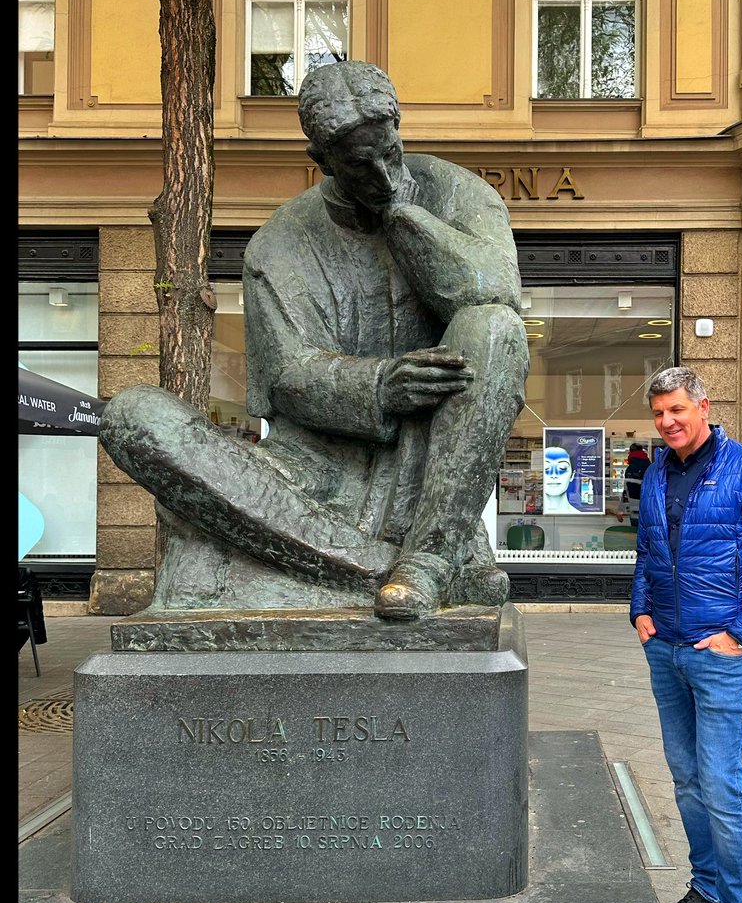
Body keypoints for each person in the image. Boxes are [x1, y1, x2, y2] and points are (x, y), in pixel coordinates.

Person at [99, 60, 530, 620]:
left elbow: (493, 292)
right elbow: (287, 377)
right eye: (358, 164)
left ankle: (427, 561)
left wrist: (403, 216)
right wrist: (379, 387)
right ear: (322, 162)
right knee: (132, 417)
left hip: (422, 475)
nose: (379, 172)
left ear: (399, 130)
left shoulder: (458, 196)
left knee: (494, 327)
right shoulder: (277, 244)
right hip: (305, 477)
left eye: (389, 153)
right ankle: (377, 568)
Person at [630, 366, 742, 903]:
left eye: (676, 410)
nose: (667, 422)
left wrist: (740, 634)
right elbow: (647, 550)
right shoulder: (655, 471)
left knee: (722, 786)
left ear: (703, 406)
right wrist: (639, 611)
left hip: (720, 655)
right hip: (665, 649)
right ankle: (705, 891)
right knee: (687, 778)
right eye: (659, 414)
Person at [542, 445, 584, 514]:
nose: (554, 475)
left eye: (562, 468)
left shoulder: (579, 514)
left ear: (572, 476)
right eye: (546, 468)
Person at [619, 443, 650, 526]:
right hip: (649, 506)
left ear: (631, 452)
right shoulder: (650, 466)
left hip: (635, 505)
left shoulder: (631, 468)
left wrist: (621, 509)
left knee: (635, 532)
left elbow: (627, 489)